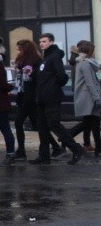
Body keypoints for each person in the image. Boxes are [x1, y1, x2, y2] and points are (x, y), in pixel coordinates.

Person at [33, 33, 85, 165]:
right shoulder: (45, 58)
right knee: (42, 127)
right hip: (41, 98)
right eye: (40, 41)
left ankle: (76, 148)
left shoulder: (55, 57)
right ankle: (44, 156)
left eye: (44, 41)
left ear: (51, 42)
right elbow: (43, 77)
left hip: (51, 97)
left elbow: (62, 76)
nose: (41, 44)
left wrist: (52, 87)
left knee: (54, 123)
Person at [71, 40, 101, 156]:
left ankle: (65, 139)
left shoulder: (84, 62)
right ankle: (66, 138)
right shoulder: (85, 63)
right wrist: (97, 98)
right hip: (90, 98)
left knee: (90, 123)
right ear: (90, 51)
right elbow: (90, 83)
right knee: (93, 123)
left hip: (89, 97)